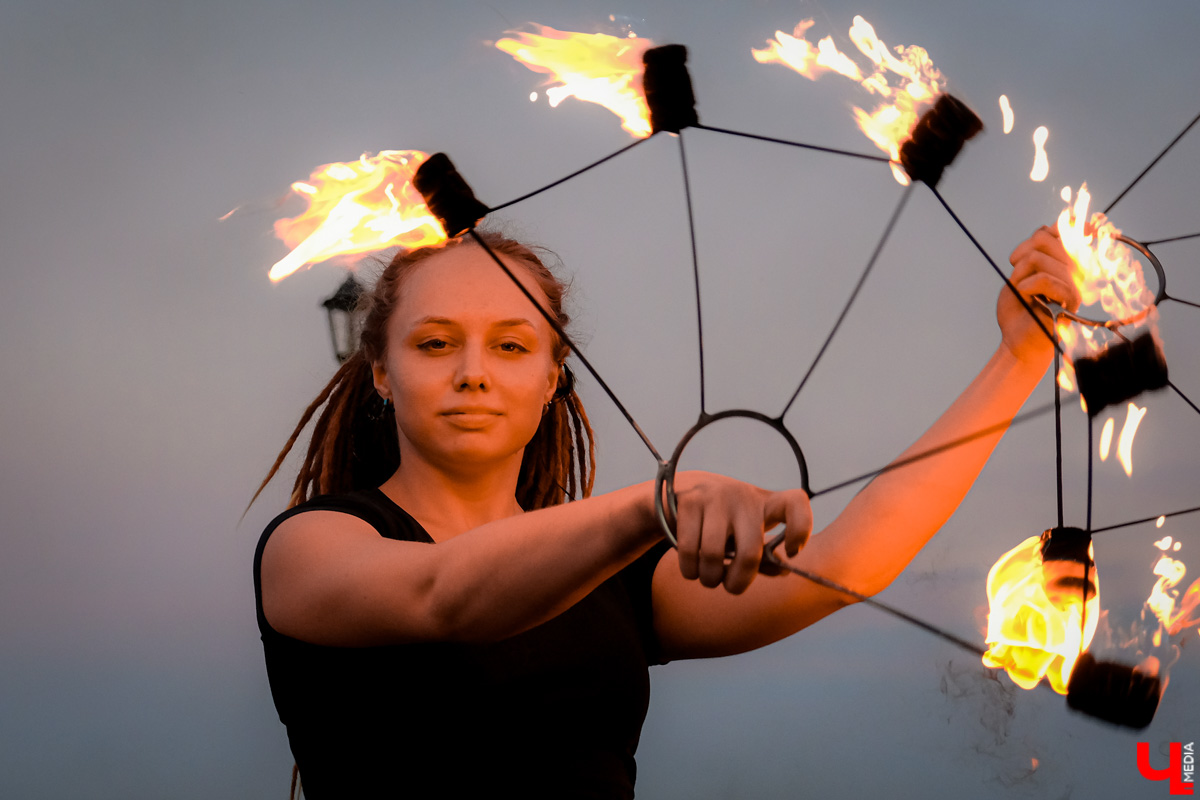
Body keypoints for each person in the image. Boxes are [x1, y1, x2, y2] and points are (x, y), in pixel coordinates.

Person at [251, 226, 1079, 798]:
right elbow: (445, 597)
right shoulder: (313, 547)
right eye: (435, 343)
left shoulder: (612, 576)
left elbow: (846, 566)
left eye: (511, 345)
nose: (474, 372)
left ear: (551, 376)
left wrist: (1016, 360)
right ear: (383, 373)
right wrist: (658, 505)